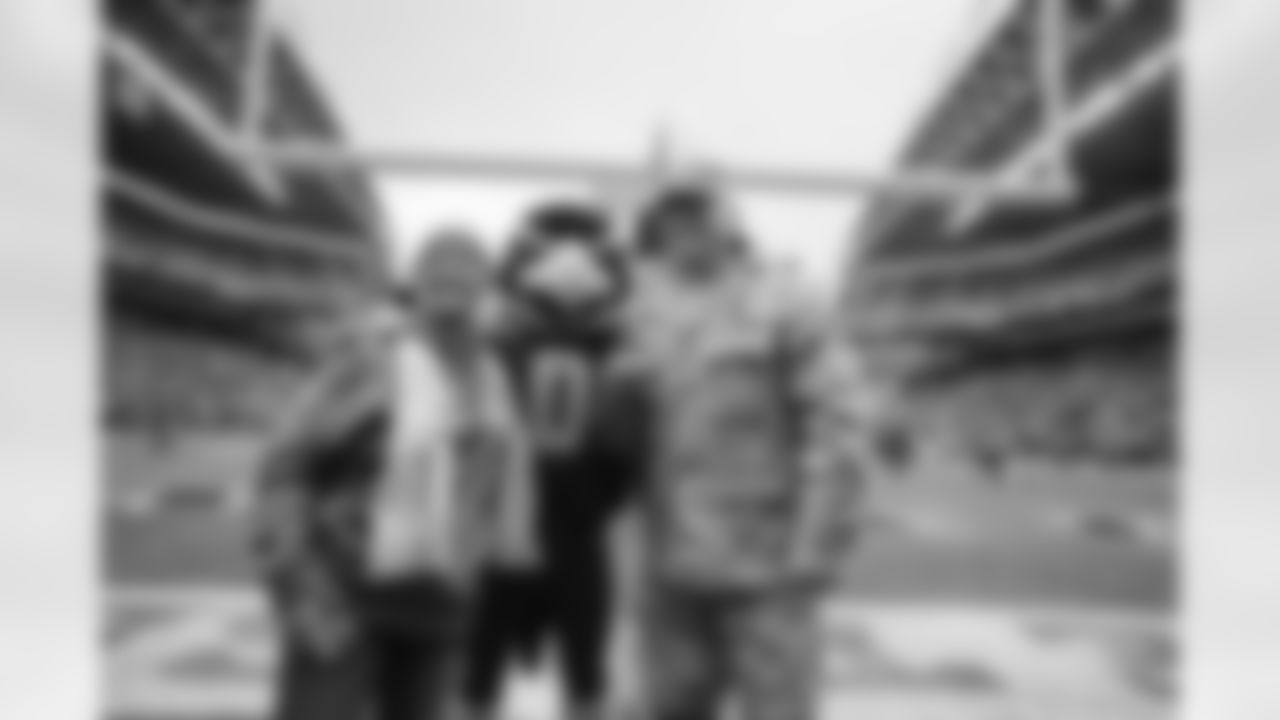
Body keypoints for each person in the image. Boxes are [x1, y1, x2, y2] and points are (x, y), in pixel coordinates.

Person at [251, 228, 539, 720]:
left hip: (439, 611)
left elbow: (497, 496)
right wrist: (297, 585)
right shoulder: (371, 363)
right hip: (343, 602)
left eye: (466, 277)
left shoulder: (493, 379)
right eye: (441, 275)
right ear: (415, 284)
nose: (454, 289)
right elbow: (284, 466)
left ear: (485, 289)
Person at [624, 180, 873, 720]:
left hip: (768, 572)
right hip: (670, 576)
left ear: (729, 219)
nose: (685, 226)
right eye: (672, 214)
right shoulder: (638, 312)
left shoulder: (785, 300)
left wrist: (816, 546)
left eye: (698, 211)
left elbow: (840, 426)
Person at [460, 200, 651, 720]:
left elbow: (630, 453)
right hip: (503, 531)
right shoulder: (493, 341)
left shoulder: (623, 348)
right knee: (477, 675)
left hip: (577, 531)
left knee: (584, 675)